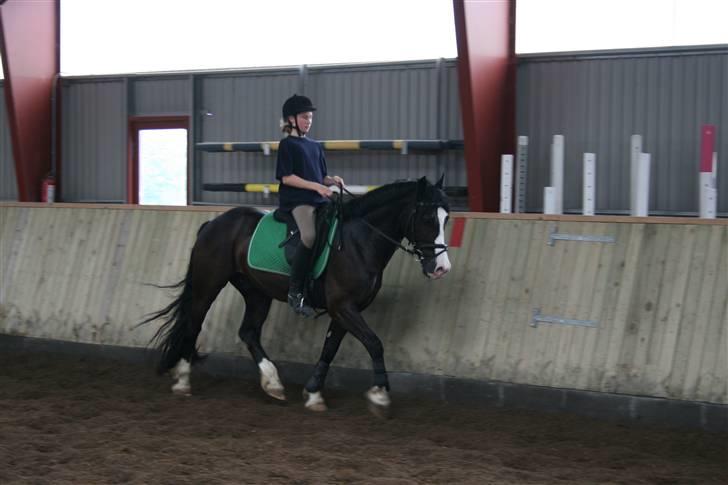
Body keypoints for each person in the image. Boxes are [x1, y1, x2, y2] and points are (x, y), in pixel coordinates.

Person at [275, 94, 344, 316]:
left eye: (310, 117)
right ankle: (295, 292)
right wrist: (316, 187)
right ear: (292, 120)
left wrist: (332, 180)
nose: (309, 121)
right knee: (309, 237)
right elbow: (287, 178)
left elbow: (321, 176)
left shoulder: (315, 146)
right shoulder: (287, 145)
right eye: (305, 117)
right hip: (297, 201)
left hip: (318, 198)